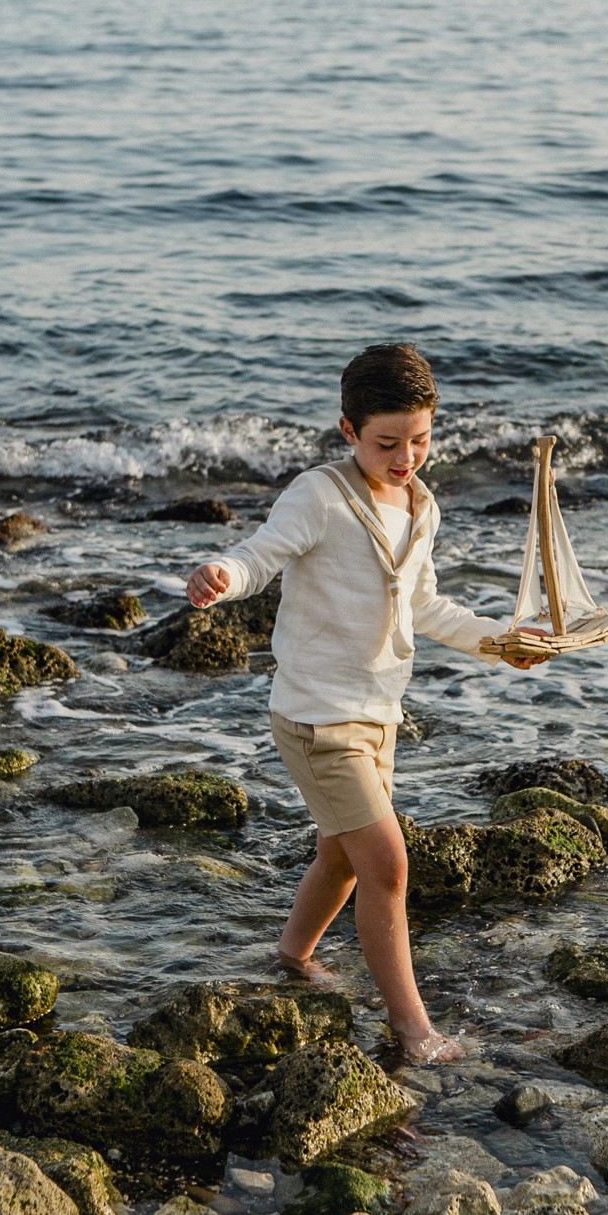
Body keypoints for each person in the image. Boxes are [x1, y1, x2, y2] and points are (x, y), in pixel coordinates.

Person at [185, 343, 546, 1063]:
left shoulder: (421, 505)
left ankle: (292, 955)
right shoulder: (319, 495)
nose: (406, 456)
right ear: (349, 432)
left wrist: (500, 640)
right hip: (317, 717)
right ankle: (415, 1032)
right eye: (388, 442)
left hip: (379, 714)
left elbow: (429, 606)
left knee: (340, 857)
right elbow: (262, 555)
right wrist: (223, 572)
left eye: (420, 440)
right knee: (387, 864)